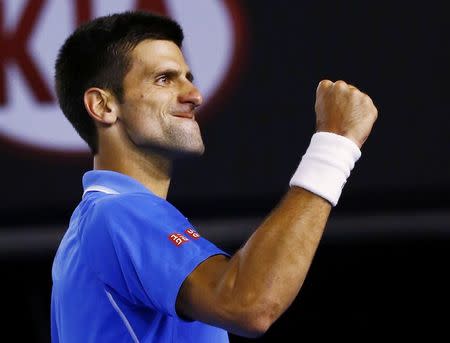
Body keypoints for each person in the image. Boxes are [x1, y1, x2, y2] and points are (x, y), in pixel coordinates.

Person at [50, 10, 377, 343]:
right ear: (103, 106)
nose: (194, 95)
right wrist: (334, 144)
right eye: (164, 78)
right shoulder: (118, 212)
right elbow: (248, 303)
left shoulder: (96, 225)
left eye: (188, 77)